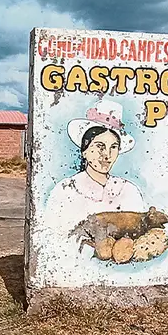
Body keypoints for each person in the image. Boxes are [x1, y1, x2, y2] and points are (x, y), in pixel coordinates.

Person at [41, 99, 147, 261]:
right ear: (84, 150)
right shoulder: (65, 190)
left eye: (113, 147)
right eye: (99, 146)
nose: (106, 155)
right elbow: (53, 240)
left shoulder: (129, 191)